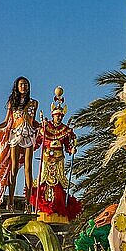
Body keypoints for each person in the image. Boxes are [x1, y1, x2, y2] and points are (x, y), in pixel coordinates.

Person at [0, 77, 39, 218]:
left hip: (29, 134)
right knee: (13, 168)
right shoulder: (12, 103)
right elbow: (7, 121)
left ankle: (28, 203)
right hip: (15, 134)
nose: (23, 86)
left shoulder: (34, 103)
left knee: (28, 168)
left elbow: (33, 121)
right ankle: (11, 201)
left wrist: (43, 125)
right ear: (17, 87)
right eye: (21, 84)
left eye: (25, 84)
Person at [29, 88, 82, 223]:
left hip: (59, 160)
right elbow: (37, 143)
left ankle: (58, 210)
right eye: (57, 115)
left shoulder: (65, 130)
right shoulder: (44, 128)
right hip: (47, 159)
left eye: (60, 116)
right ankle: (43, 208)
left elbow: (68, 145)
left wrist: (71, 150)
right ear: (53, 115)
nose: (58, 117)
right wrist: (28, 148)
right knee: (44, 182)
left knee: (58, 184)